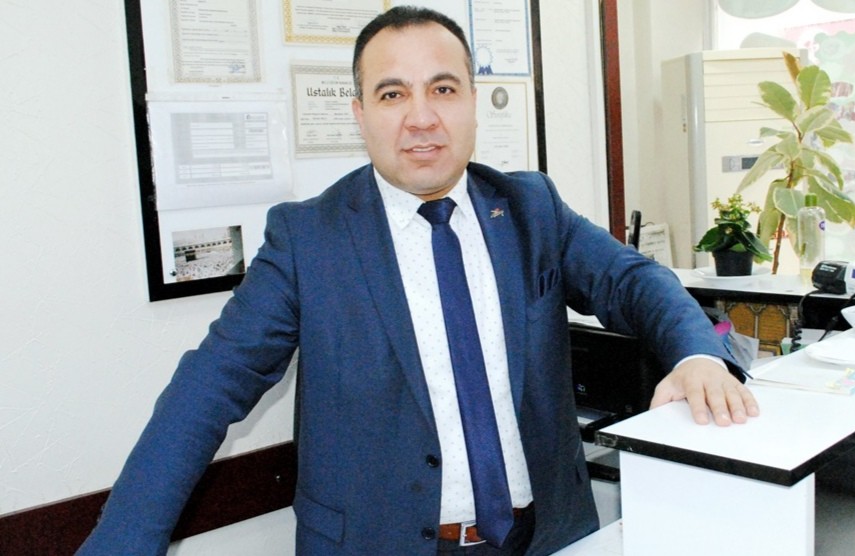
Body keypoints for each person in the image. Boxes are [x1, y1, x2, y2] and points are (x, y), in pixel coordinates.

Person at [78, 6, 758, 556]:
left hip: (543, 538)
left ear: (471, 103)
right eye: (392, 93)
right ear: (360, 114)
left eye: (443, 88)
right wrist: (123, 542)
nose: (421, 117)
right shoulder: (308, 240)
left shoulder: (530, 208)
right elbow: (209, 387)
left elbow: (632, 280)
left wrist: (697, 355)